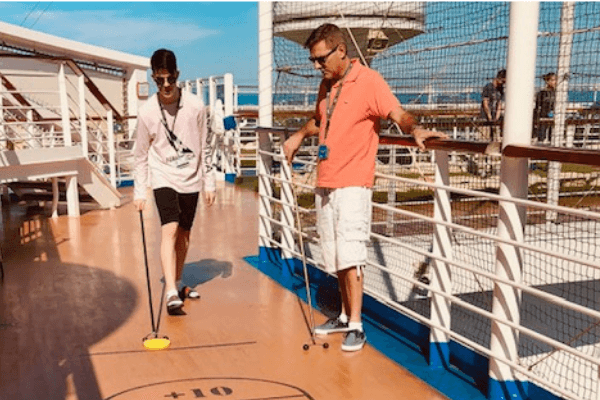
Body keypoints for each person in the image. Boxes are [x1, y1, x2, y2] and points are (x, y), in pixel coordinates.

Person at [282, 24, 447, 352]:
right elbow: (321, 119)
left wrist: (415, 130)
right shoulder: (327, 84)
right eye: (313, 61)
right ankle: (344, 316)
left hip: (354, 182)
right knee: (336, 254)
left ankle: (356, 325)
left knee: (353, 253)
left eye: (321, 59)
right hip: (327, 180)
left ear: (340, 50)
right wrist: (299, 135)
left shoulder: (369, 81)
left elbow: (395, 111)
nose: (317, 66)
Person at [133, 49, 216, 315]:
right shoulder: (147, 112)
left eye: (169, 79)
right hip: (163, 176)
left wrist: (209, 181)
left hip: (190, 177)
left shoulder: (195, 106)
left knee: (185, 233)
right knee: (169, 228)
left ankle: (179, 282)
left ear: (178, 75)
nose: (166, 85)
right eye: (159, 80)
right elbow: (140, 155)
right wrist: (139, 191)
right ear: (154, 78)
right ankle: (170, 291)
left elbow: (206, 145)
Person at [480, 69, 506, 141]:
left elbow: (499, 104)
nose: (503, 84)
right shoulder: (488, 87)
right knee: (484, 140)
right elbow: (485, 104)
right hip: (485, 118)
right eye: (503, 81)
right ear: (499, 78)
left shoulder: (500, 89)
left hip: (495, 119)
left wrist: (497, 117)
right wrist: (489, 116)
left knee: (496, 139)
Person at [534, 72, 556, 143]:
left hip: (554, 117)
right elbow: (537, 107)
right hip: (543, 117)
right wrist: (536, 118)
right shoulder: (541, 93)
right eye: (552, 80)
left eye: (555, 80)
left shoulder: (557, 93)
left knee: (552, 137)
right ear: (547, 81)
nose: (554, 82)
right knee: (541, 136)